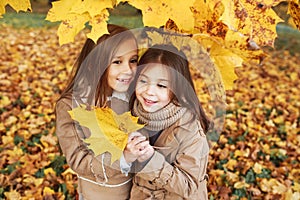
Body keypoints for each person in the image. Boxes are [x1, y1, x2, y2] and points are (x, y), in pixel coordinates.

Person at [55, 24, 147, 199]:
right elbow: (78, 159)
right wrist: (123, 158)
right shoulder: (71, 105)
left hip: (139, 192)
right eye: (117, 61)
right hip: (100, 194)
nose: (128, 70)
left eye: (133, 60)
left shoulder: (133, 96)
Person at [126, 44, 211, 199]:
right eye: (143, 81)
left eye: (161, 85)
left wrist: (151, 161)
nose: (149, 91)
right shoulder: (131, 114)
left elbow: (189, 186)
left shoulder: (189, 129)